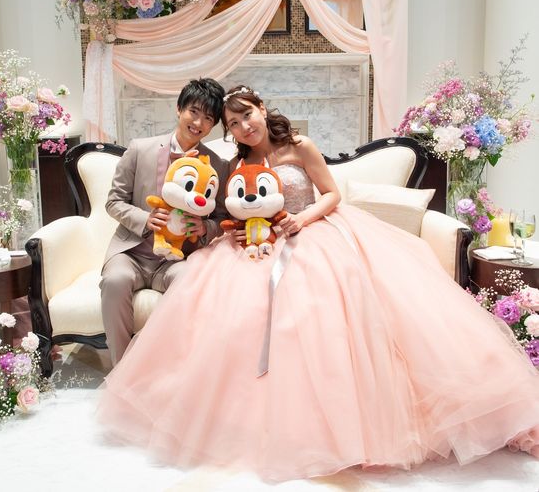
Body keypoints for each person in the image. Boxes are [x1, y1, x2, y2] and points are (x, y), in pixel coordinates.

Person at [98, 85, 539, 482]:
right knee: (235, 309)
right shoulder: (234, 163)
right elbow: (231, 210)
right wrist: (238, 230)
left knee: (322, 308)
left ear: (261, 109)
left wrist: (301, 219)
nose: (243, 126)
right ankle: (247, 420)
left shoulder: (299, 146)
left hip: (315, 234)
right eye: (232, 123)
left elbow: (331, 194)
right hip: (259, 244)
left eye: (246, 115)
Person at [100, 78, 229, 365]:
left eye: (208, 118)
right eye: (194, 112)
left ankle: (171, 368)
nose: (198, 123)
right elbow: (113, 201)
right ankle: (122, 369)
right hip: (132, 252)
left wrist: (205, 227)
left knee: (188, 279)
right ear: (179, 109)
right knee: (115, 280)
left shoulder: (217, 165)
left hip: (177, 258)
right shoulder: (139, 149)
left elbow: (222, 217)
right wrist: (145, 218)